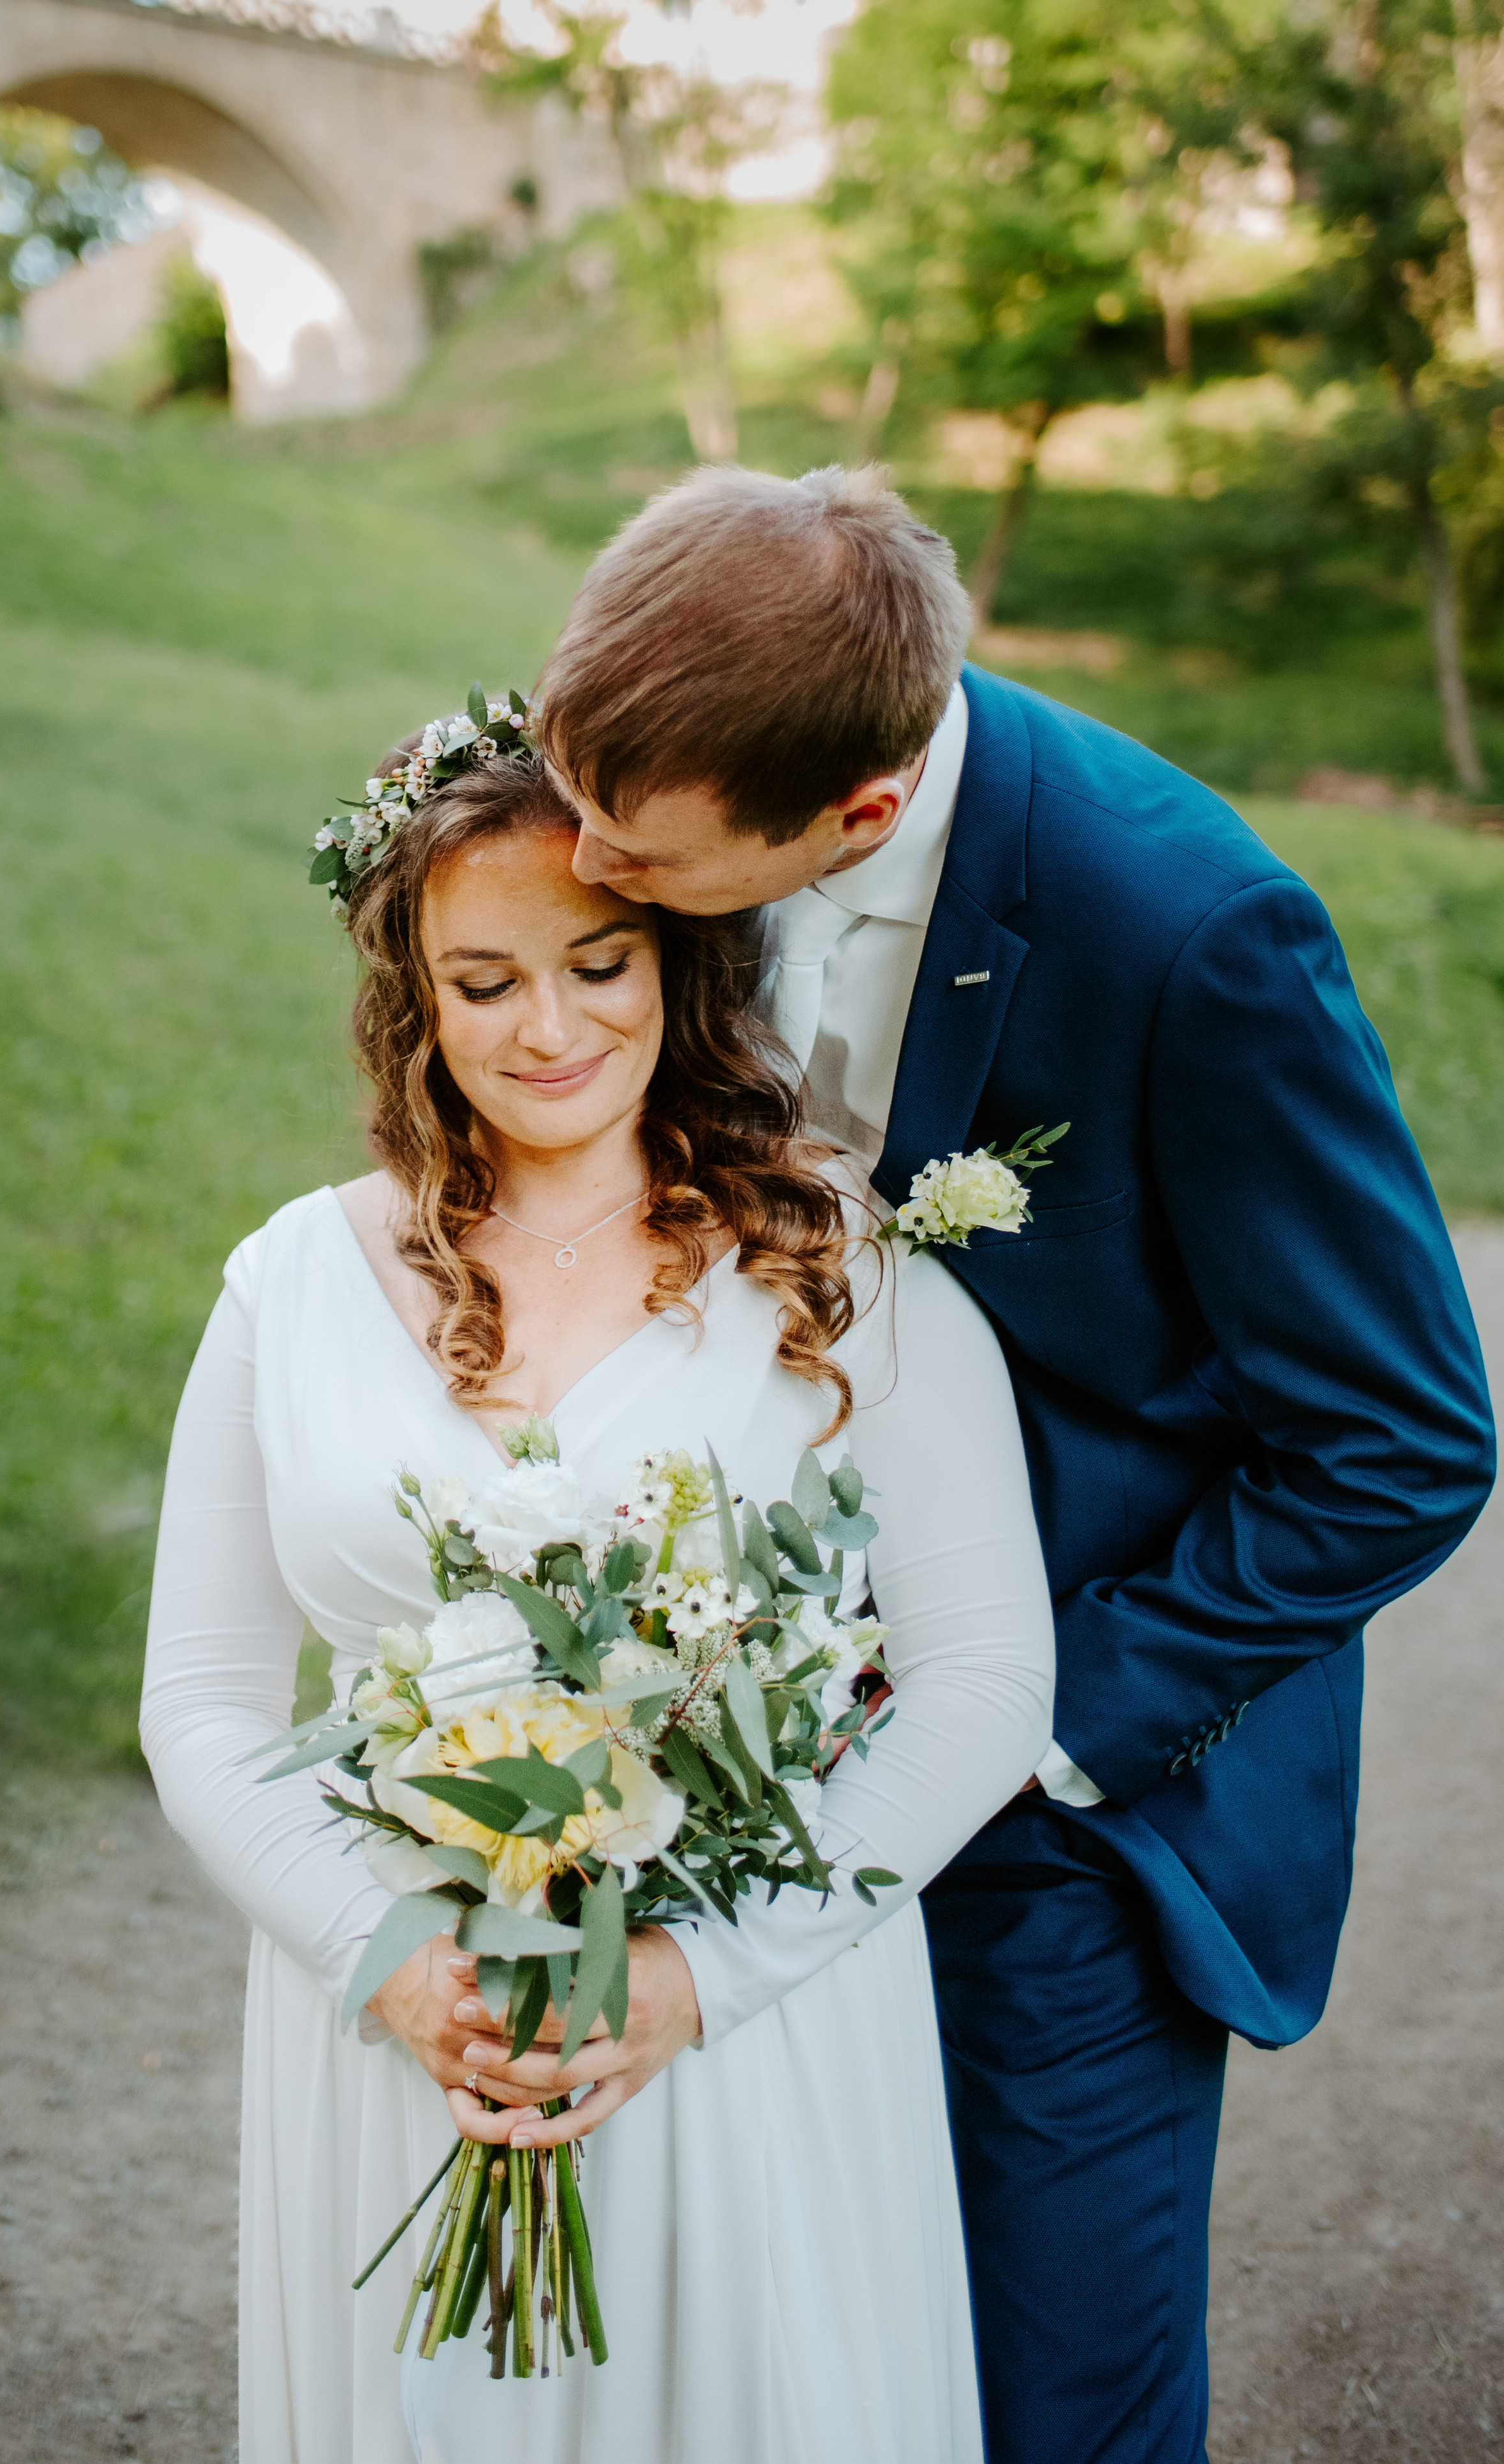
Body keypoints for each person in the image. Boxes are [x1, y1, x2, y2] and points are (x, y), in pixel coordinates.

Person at [412, 464, 1498, 2461]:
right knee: (763, 2366)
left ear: (859, 814)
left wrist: (1044, 1719)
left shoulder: (1190, 934)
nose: (583, 863)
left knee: (1041, 2397)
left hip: (1058, 1818)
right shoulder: (669, 760)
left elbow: (1407, 1437)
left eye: (633, 860)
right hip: (700, 1780)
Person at [140, 745, 1056, 2463]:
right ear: (414, 1000)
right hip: (416, 2033)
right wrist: (385, 1957)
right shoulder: (293, 1285)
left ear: (678, 962)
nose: (545, 1026)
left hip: (746, 2024)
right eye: (482, 981)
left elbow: (986, 1673)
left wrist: (701, 1975)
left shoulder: (836, 1268)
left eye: (596, 964)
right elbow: (198, 1695)